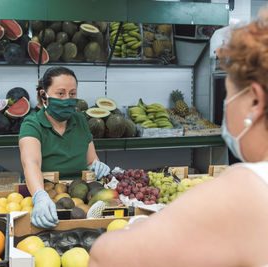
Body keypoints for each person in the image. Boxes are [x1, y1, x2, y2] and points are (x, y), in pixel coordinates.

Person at [89, 6, 268, 267]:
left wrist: (139, 226)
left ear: (254, 101)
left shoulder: (246, 189)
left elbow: (105, 257)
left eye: (229, 95)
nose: (226, 107)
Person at [19, 67, 110, 228]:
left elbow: (91, 160)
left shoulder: (80, 120)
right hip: (48, 198)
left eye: (72, 94)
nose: (67, 99)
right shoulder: (32, 124)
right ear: (44, 96)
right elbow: (31, 163)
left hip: (83, 197)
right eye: (60, 94)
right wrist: (40, 196)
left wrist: (97, 166)